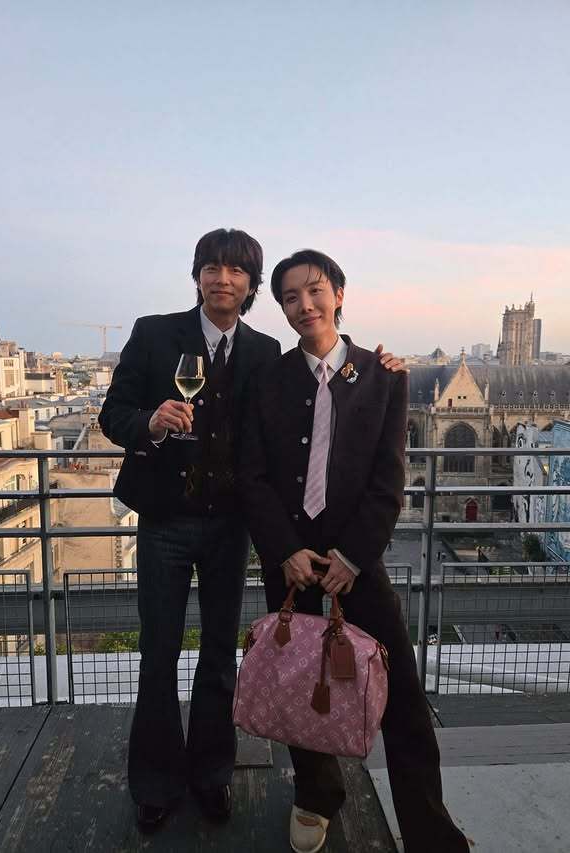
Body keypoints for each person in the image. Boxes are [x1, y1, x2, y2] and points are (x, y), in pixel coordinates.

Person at [99, 229, 405, 834]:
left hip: (230, 525)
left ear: (251, 286)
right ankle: (155, 783)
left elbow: (312, 402)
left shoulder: (266, 353)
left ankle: (212, 775)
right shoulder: (154, 333)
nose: (223, 279)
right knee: (157, 654)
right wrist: (151, 422)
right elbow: (113, 414)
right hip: (164, 520)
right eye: (212, 268)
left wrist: (379, 368)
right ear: (197, 276)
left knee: (220, 654)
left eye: (237, 271)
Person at [239, 249, 469, 853]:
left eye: (315, 290)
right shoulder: (268, 379)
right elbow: (253, 476)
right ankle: (317, 795)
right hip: (291, 563)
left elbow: (387, 481)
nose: (304, 305)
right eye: (290, 297)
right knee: (299, 685)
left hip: (356, 564)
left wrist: (351, 557)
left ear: (339, 294)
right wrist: (285, 550)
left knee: (405, 701)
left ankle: (429, 830)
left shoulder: (384, 375)